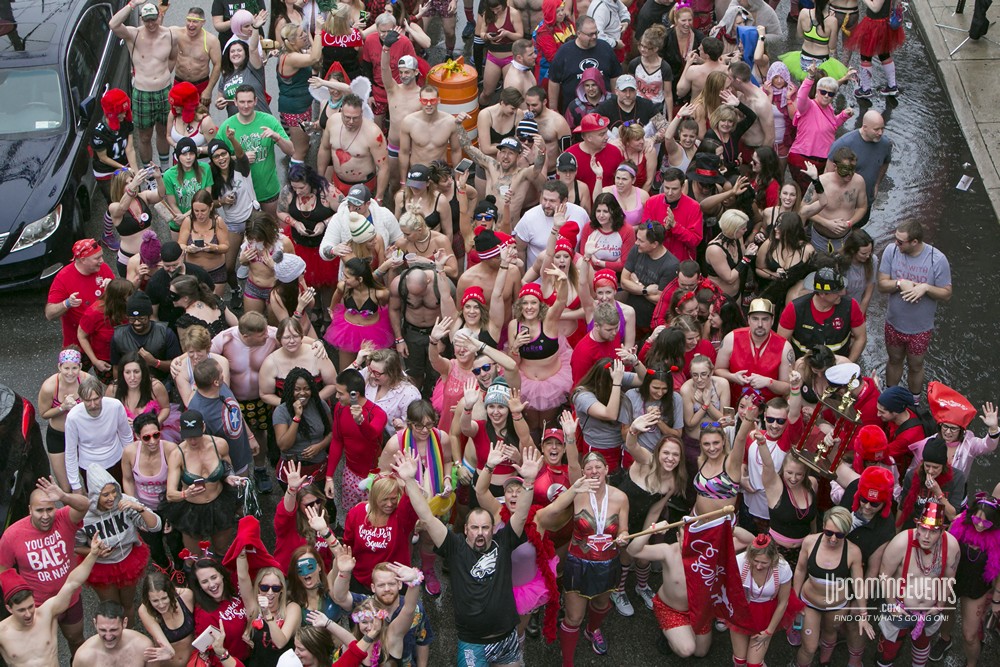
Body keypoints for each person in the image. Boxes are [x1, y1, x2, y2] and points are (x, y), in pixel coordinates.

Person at [392, 444, 542, 666]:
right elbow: (427, 517)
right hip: (473, 645)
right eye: (474, 527)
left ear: (493, 529)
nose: (480, 533)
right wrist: (409, 481)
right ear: (465, 529)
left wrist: (528, 482)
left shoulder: (504, 541)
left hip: (507, 640)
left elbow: (520, 516)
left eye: (485, 528)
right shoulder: (455, 546)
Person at [0, 479, 92, 658]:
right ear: (29, 510)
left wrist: (64, 496)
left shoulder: (63, 518)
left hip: (70, 598)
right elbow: (3, 569)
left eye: (50, 509)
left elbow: (85, 505)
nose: (45, 516)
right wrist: (18, 596)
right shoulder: (12, 535)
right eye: (39, 510)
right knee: (42, 649)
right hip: (37, 606)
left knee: (76, 640)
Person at [0, 534, 104, 666]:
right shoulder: (2, 633)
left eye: (31, 606)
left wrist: (93, 554)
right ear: (9, 608)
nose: (28, 614)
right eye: (21, 610)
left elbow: (72, 583)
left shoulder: (46, 614)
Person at [76, 464, 161, 625]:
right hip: (101, 566)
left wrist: (139, 508)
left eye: (114, 491)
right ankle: (115, 635)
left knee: (128, 605)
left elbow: (156, 526)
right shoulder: (84, 516)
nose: (111, 497)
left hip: (128, 560)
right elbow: (75, 546)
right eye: (105, 494)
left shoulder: (125, 502)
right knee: (111, 608)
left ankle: (130, 633)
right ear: (94, 495)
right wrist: (93, 551)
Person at [877, 502, 958, 667]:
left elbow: (949, 578)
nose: (926, 536)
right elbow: (884, 575)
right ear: (917, 525)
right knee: (888, 649)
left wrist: (940, 605)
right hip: (899, 609)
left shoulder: (951, 546)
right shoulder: (901, 542)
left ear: (942, 531)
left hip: (930, 611)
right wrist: (892, 605)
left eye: (933, 531)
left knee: (922, 645)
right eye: (923, 529)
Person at [877, 219, 952, 397]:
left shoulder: (936, 259)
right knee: (894, 359)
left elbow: (947, 294)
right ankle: (889, 397)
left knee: (916, 365)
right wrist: (899, 283)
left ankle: (915, 401)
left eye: (900, 241)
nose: (896, 244)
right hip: (894, 323)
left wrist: (925, 288)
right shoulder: (891, 251)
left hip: (920, 329)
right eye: (896, 239)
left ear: (914, 242)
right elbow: (881, 285)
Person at [792, 506, 874, 667]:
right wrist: (794, 601)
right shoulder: (810, 542)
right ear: (823, 526)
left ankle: (825, 662)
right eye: (828, 533)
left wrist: (863, 614)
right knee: (809, 647)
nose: (834, 539)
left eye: (840, 535)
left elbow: (858, 583)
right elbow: (800, 570)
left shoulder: (853, 551)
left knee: (830, 634)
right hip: (810, 602)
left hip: (837, 605)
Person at [162, 409, 246, 554]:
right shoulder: (177, 455)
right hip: (191, 510)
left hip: (219, 503)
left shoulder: (219, 444)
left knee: (222, 549)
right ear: (181, 430)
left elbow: (227, 468)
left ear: (203, 427)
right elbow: (170, 494)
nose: (193, 441)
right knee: (195, 555)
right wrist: (186, 494)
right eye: (188, 436)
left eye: (196, 435)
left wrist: (229, 477)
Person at [933, 493, 1000, 666]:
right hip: (953, 580)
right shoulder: (959, 523)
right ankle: (945, 639)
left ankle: (971, 664)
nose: (980, 525)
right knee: (945, 614)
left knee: (970, 636)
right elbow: (946, 549)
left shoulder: (998, 539)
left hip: (977, 588)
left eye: (987, 523)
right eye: (977, 519)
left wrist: (996, 599)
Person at [110, 2, 178, 169]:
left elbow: (172, 58)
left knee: (164, 132)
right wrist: (131, 5)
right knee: (145, 136)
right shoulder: (133, 34)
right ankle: (148, 172)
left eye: (153, 19)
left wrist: (163, 76)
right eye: (147, 20)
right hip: (143, 93)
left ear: (159, 16)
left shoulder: (170, 34)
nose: (151, 24)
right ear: (142, 19)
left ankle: (164, 168)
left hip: (164, 91)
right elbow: (113, 24)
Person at [218, 86, 296, 216]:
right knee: (248, 227)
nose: (246, 106)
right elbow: (216, 158)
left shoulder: (269, 121)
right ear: (235, 102)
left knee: (271, 225)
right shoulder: (227, 126)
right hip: (240, 193)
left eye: (249, 101)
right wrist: (240, 158)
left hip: (268, 190)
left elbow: (291, 150)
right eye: (242, 102)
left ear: (255, 101)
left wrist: (276, 137)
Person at [324, 369, 389, 521]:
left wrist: (361, 422)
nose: (336, 396)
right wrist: (329, 476)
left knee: (375, 518)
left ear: (355, 394)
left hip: (374, 477)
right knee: (352, 516)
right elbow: (337, 441)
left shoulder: (378, 413)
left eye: (340, 393)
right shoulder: (339, 408)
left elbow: (372, 435)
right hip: (350, 474)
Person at [715, 298, 794, 406]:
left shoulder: (785, 347)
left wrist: (769, 382)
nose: (760, 324)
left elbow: (788, 388)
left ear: (772, 320)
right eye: (755, 319)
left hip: (769, 411)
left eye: (765, 319)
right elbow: (718, 369)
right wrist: (733, 377)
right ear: (748, 319)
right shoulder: (732, 338)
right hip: (736, 406)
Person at [777, 267, 867, 361]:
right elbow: (781, 343)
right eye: (837, 291)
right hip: (804, 366)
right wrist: (792, 367)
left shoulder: (851, 306)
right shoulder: (795, 309)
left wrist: (849, 364)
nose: (843, 293)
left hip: (838, 365)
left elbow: (861, 338)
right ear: (822, 294)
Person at [787, 70, 854, 193]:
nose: (826, 95)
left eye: (830, 94)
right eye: (823, 92)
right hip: (803, 158)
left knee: (817, 194)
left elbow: (831, 126)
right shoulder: (808, 106)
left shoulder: (829, 109)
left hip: (823, 160)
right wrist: (810, 78)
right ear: (817, 91)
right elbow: (801, 96)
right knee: (808, 194)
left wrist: (844, 115)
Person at [64, 376, 133, 492]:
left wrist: (131, 463)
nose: (93, 404)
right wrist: (75, 485)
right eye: (87, 400)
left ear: (102, 395)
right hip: (89, 468)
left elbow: (126, 435)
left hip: (117, 461)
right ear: (81, 399)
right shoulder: (73, 417)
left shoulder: (115, 406)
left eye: (96, 399)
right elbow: (70, 452)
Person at [45, 239, 115, 351]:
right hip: (77, 345)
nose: (102, 261)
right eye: (97, 258)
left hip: (104, 341)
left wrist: (113, 289)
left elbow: (122, 299)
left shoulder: (104, 269)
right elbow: (49, 313)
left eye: (101, 256)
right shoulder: (63, 277)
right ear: (83, 259)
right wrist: (67, 303)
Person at [235, 551, 302, 666]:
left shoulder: (292, 608)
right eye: (265, 587)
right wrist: (241, 553)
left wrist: (267, 615)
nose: (270, 593)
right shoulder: (254, 608)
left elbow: (280, 643)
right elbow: (242, 577)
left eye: (275, 588)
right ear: (258, 587)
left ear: (282, 590)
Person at [826, 110, 892, 226]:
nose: (880, 133)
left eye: (883, 128)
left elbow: (885, 163)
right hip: (844, 203)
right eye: (876, 129)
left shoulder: (885, 144)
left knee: (859, 227)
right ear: (865, 127)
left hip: (866, 200)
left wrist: (877, 183)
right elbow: (828, 172)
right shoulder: (844, 143)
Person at [91, 89, 140, 243]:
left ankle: (134, 224)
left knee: (132, 195)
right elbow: (103, 158)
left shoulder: (126, 122)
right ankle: (107, 234)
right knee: (115, 204)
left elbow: (130, 148)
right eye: (121, 112)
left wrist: (136, 172)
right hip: (106, 172)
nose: (124, 115)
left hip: (124, 165)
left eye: (125, 111)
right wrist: (123, 168)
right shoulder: (99, 132)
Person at [547, 17, 622, 112]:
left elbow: (615, 77)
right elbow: (554, 81)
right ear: (578, 33)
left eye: (596, 33)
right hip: (574, 112)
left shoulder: (605, 48)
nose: (594, 37)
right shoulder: (564, 52)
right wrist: (553, 109)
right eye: (590, 34)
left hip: (604, 109)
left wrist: (616, 103)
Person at [323, 94, 389, 199]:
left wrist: (379, 198)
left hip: (363, 187)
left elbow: (384, 167)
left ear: (361, 113)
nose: (351, 122)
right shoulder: (332, 122)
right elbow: (324, 149)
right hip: (337, 182)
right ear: (341, 111)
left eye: (355, 118)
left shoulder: (373, 133)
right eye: (347, 117)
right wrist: (320, 177)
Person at [37, 349, 85, 492]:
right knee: (65, 487)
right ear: (59, 367)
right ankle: (71, 506)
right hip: (58, 436)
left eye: (74, 368)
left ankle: (87, 504)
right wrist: (62, 407)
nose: (70, 373)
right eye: (66, 368)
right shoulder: (49, 386)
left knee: (89, 480)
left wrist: (81, 407)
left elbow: (97, 405)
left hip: (81, 435)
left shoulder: (86, 381)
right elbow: (44, 414)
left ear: (80, 367)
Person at [276, 20, 324, 163]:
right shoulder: (291, 58)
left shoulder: (293, 53)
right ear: (292, 41)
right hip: (296, 110)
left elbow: (315, 62)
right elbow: (315, 57)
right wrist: (318, 32)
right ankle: (296, 176)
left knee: (303, 147)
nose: (304, 36)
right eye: (301, 34)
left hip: (296, 107)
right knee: (300, 150)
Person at [619, 221, 680, 333]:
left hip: (649, 325)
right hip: (628, 316)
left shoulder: (671, 265)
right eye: (637, 238)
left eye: (641, 241)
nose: (636, 242)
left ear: (654, 244)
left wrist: (635, 283)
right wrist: (645, 290)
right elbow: (623, 282)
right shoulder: (637, 250)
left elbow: (659, 299)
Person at [110, 291, 182, 383]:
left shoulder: (166, 333)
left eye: (141, 319)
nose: (137, 322)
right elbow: (116, 367)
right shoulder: (118, 336)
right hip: (130, 384)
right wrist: (118, 386)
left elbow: (176, 365)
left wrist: (155, 362)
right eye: (132, 319)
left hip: (160, 382)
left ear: (149, 316)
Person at [807, 147, 868, 253]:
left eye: (853, 169)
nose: (850, 174)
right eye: (845, 169)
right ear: (835, 166)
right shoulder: (820, 182)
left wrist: (850, 223)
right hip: (820, 238)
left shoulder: (859, 182)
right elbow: (803, 209)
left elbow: (862, 207)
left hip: (846, 238)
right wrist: (826, 223)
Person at [188, 556, 249, 663]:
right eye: (204, 581)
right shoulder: (204, 615)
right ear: (199, 585)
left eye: (214, 577)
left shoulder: (235, 589)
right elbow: (211, 656)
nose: (212, 585)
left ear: (222, 574)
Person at [514, 181, 590, 268]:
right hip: (538, 275)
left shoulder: (580, 214)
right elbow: (519, 249)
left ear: (564, 201)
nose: (547, 205)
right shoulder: (529, 217)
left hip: (570, 274)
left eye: (552, 201)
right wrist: (523, 275)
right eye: (545, 199)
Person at [897, 437, 965, 530]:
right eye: (927, 466)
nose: (930, 471)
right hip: (915, 527)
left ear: (943, 466)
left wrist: (938, 493)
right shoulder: (912, 475)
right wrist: (896, 532)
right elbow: (902, 508)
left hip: (939, 529)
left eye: (935, 467)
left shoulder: (957, 477)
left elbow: (952, 516)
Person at [398, 86, 461, 184]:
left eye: (432, 100)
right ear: (420, 101)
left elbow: (456, 151)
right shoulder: (409, 122)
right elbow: (404, 153)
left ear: (438, 100)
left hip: (440, 174)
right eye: (424, 101)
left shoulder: (450, 122)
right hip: (417, 174)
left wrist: (457, 179)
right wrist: (403, 182)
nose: (428, 104)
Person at [641, 167, 703, 263]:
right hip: (654, 259)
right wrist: (662, 228)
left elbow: (694, 240)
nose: (669, 193)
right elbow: (646, 227)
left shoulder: (694, 207)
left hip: (681, 261)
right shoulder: (651, 202)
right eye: (666, 188)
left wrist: (675, 226)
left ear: (682, 186)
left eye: (674, 189)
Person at [846, 0, 904, 97]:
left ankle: (866, 89)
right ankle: (892, 86)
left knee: (866, 55)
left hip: (874, 25)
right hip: (884, 23)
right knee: (884, 54)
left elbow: (875, 8)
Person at [137, 572, 196, 667]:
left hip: (195, 661)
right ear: (148, 599)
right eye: (155, 601)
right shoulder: (145, 610)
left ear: (171, 592)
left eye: (164, 598)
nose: (161, 604)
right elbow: (165, 645)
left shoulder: (186, 596)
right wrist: (169, 651)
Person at [162, 139, 213, 240]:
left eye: (191, 154)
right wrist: (182, 219)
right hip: (179, 221)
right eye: (184, 154)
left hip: (201, 219)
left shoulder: (205, 168)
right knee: (179, 249)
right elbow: (172, 203)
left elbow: (207, 199)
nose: (188, 157)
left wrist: (185, 217)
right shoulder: (169, 175)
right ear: (178, 156)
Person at [216, 26, 269, 117]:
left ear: (245, 53)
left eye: (239, 50)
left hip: (259, 118)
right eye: (232, 51)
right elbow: (220, 98)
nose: (236, 53)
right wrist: (219, 103)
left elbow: (253, 49)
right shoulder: (225, 76)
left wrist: (255, 28)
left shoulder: (253, 67)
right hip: (237, 121)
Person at [165, 81, 218, 157]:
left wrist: (197, 150)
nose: (174, 107)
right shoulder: (173, 115)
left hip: (201, 162)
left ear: (188, 105)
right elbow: (168, 136)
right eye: (173, 104)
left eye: (177, 104)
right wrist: (175, 145)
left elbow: (215, 148)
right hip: (178, 162)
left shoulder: (205, 121)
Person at [561, 67, 612, 132]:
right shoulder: (574, 107)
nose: (590, 89)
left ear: (600, 84)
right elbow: (568, 131)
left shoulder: (612, 100)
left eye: (594, 85)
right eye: (587, 85)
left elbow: (621, 122)